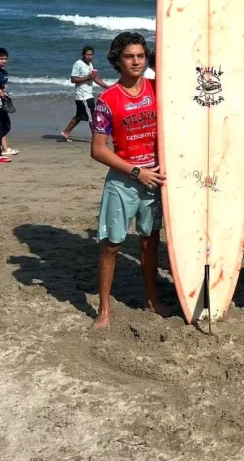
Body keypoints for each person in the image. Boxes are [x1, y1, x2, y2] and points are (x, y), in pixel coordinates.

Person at [89, 31, 172, 329]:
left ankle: (152, 300)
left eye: (140, 56)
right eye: (129, 56)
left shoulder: (158, 89)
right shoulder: (107, 100)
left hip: (155, 180)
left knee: (151, 242)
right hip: (124, 181)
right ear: (117, 61)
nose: (136, 61)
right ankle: (104, 310)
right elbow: (97, 150)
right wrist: (137, 171)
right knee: (112, 244)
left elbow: (199, 111)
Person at [61, 45, 110, 141]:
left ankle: (65, 132)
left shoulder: (90, 65)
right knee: (92, 117)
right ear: (83, 55)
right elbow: (73, 79)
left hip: (88, 94)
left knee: (79, 116)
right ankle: (96, 138)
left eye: (91, 54)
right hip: (83, 96)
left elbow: (95, 78)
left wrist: (108, 87)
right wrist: (87, 77)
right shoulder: (78, 64)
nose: (89, 56)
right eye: (87, 54)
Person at [0, 46, 17, 161]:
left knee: (6, 126)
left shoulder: (3, 72)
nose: (4, 61)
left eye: (5, 58)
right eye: (1, 58)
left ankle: (4, 150)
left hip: (1, 103)